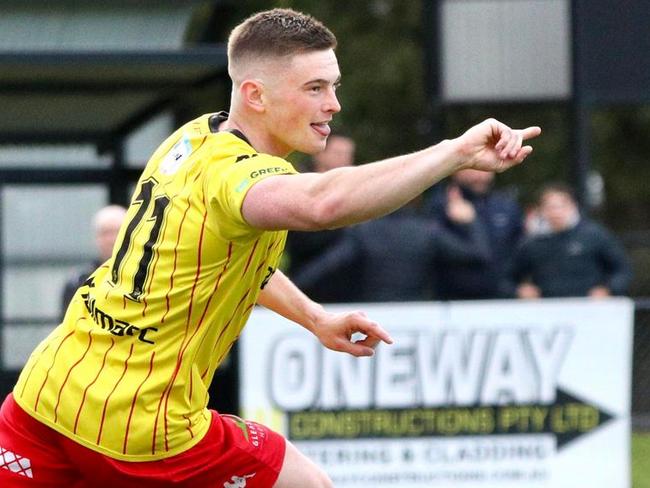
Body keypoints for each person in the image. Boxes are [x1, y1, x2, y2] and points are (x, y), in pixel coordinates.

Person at [0, 8, 541, 488]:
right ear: (255, 94)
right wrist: (454, 152)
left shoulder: (192, 138)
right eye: (314, 88)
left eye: (333, 85)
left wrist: (313, 318)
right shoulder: (244, 177)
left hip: (46, 394)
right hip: (142, 423)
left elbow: (230, 261)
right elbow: (322, 205)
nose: (333, 104)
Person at [292, 190, 491, 302]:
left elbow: (324, 268)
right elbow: (478, 255)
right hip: (417, 320)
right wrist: (471, 222)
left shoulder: (364, 232)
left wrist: (284, 292)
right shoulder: (427, 232)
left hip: (372, 319)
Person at [509, 183, 631, 299]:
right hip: (547, 313)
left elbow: (622, 270)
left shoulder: (594, 235)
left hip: (590, 311)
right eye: (550, 207)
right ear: (541, 209)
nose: (556, 212)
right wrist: (520, 290)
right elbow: (507, 278)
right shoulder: (532, 242)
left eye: (561, 206)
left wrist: (608, 290)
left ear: (573, 206)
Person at [424, 167, 524, 299]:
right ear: (456, 170)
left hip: (502, 299)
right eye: (473, 168)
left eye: (485, 169)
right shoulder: (439, 206)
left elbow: (519, 252)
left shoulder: (507, 206)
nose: (479, 176)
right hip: (452, 301)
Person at [285, 132, 357, 303]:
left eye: (349, 154)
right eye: (338, 153)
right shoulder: (298, 185)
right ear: (320, 154)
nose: (344, 159)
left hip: (345, 289)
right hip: (304, 282)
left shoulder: (355, 192)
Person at [60, 205, 127, 318]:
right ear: (96, 238)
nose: (111, 240)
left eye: (117, 232)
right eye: (106, 233)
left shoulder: (147, 277)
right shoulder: (79, 282)